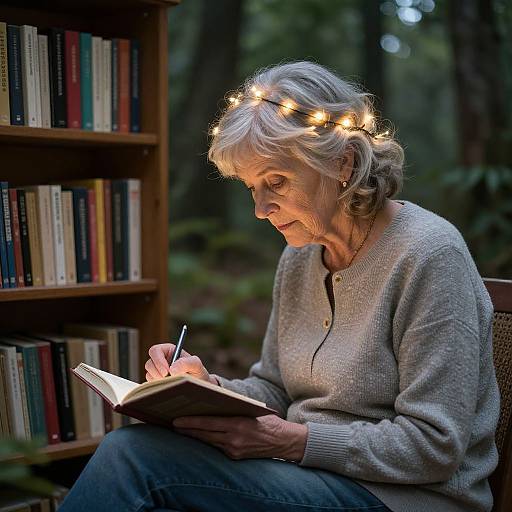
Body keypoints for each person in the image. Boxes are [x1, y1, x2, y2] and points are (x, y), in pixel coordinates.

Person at [59, 61, 500, 512]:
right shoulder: (300, 256)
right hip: (309, 474)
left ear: (342, 163)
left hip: (406, 497)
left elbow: (435, 445)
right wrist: (204, 387)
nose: (261, 208)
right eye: (252, 187)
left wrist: (294, 441)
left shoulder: (429, 255)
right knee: (144, 444)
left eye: (276, 181)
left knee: (136, 460)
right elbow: (274, 390)